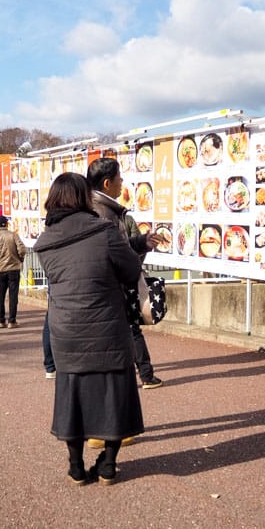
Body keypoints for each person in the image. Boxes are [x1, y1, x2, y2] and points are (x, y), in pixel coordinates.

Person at [33, 173, 145, 485]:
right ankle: (108, 464)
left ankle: (75, 466)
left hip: (66, 327)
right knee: (115, 391)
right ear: (83, 197)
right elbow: (131, 269)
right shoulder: (104, 232)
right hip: (107, 324)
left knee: (73, 393)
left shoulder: (46, 242)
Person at [87, 157, 164, 390]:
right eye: (120, 178)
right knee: (123, 341)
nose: (123, 182)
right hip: (110, 292)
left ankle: (143, 374)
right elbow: (115, 254)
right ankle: (144, 375)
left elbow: (116, 248)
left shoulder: (99, 209)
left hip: (103, 291)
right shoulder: (104, 213)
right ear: (108, 183)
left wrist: (140, 242)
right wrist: (137, 254)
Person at [0, 215, 27, 328]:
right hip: (14, 269)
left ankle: (1, 320)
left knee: (1, 296)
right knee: (13, 296)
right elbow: (22, 249)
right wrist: (19, 259)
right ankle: (12, 320)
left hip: (0, 270)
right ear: (7, 224)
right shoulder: (13, 235)